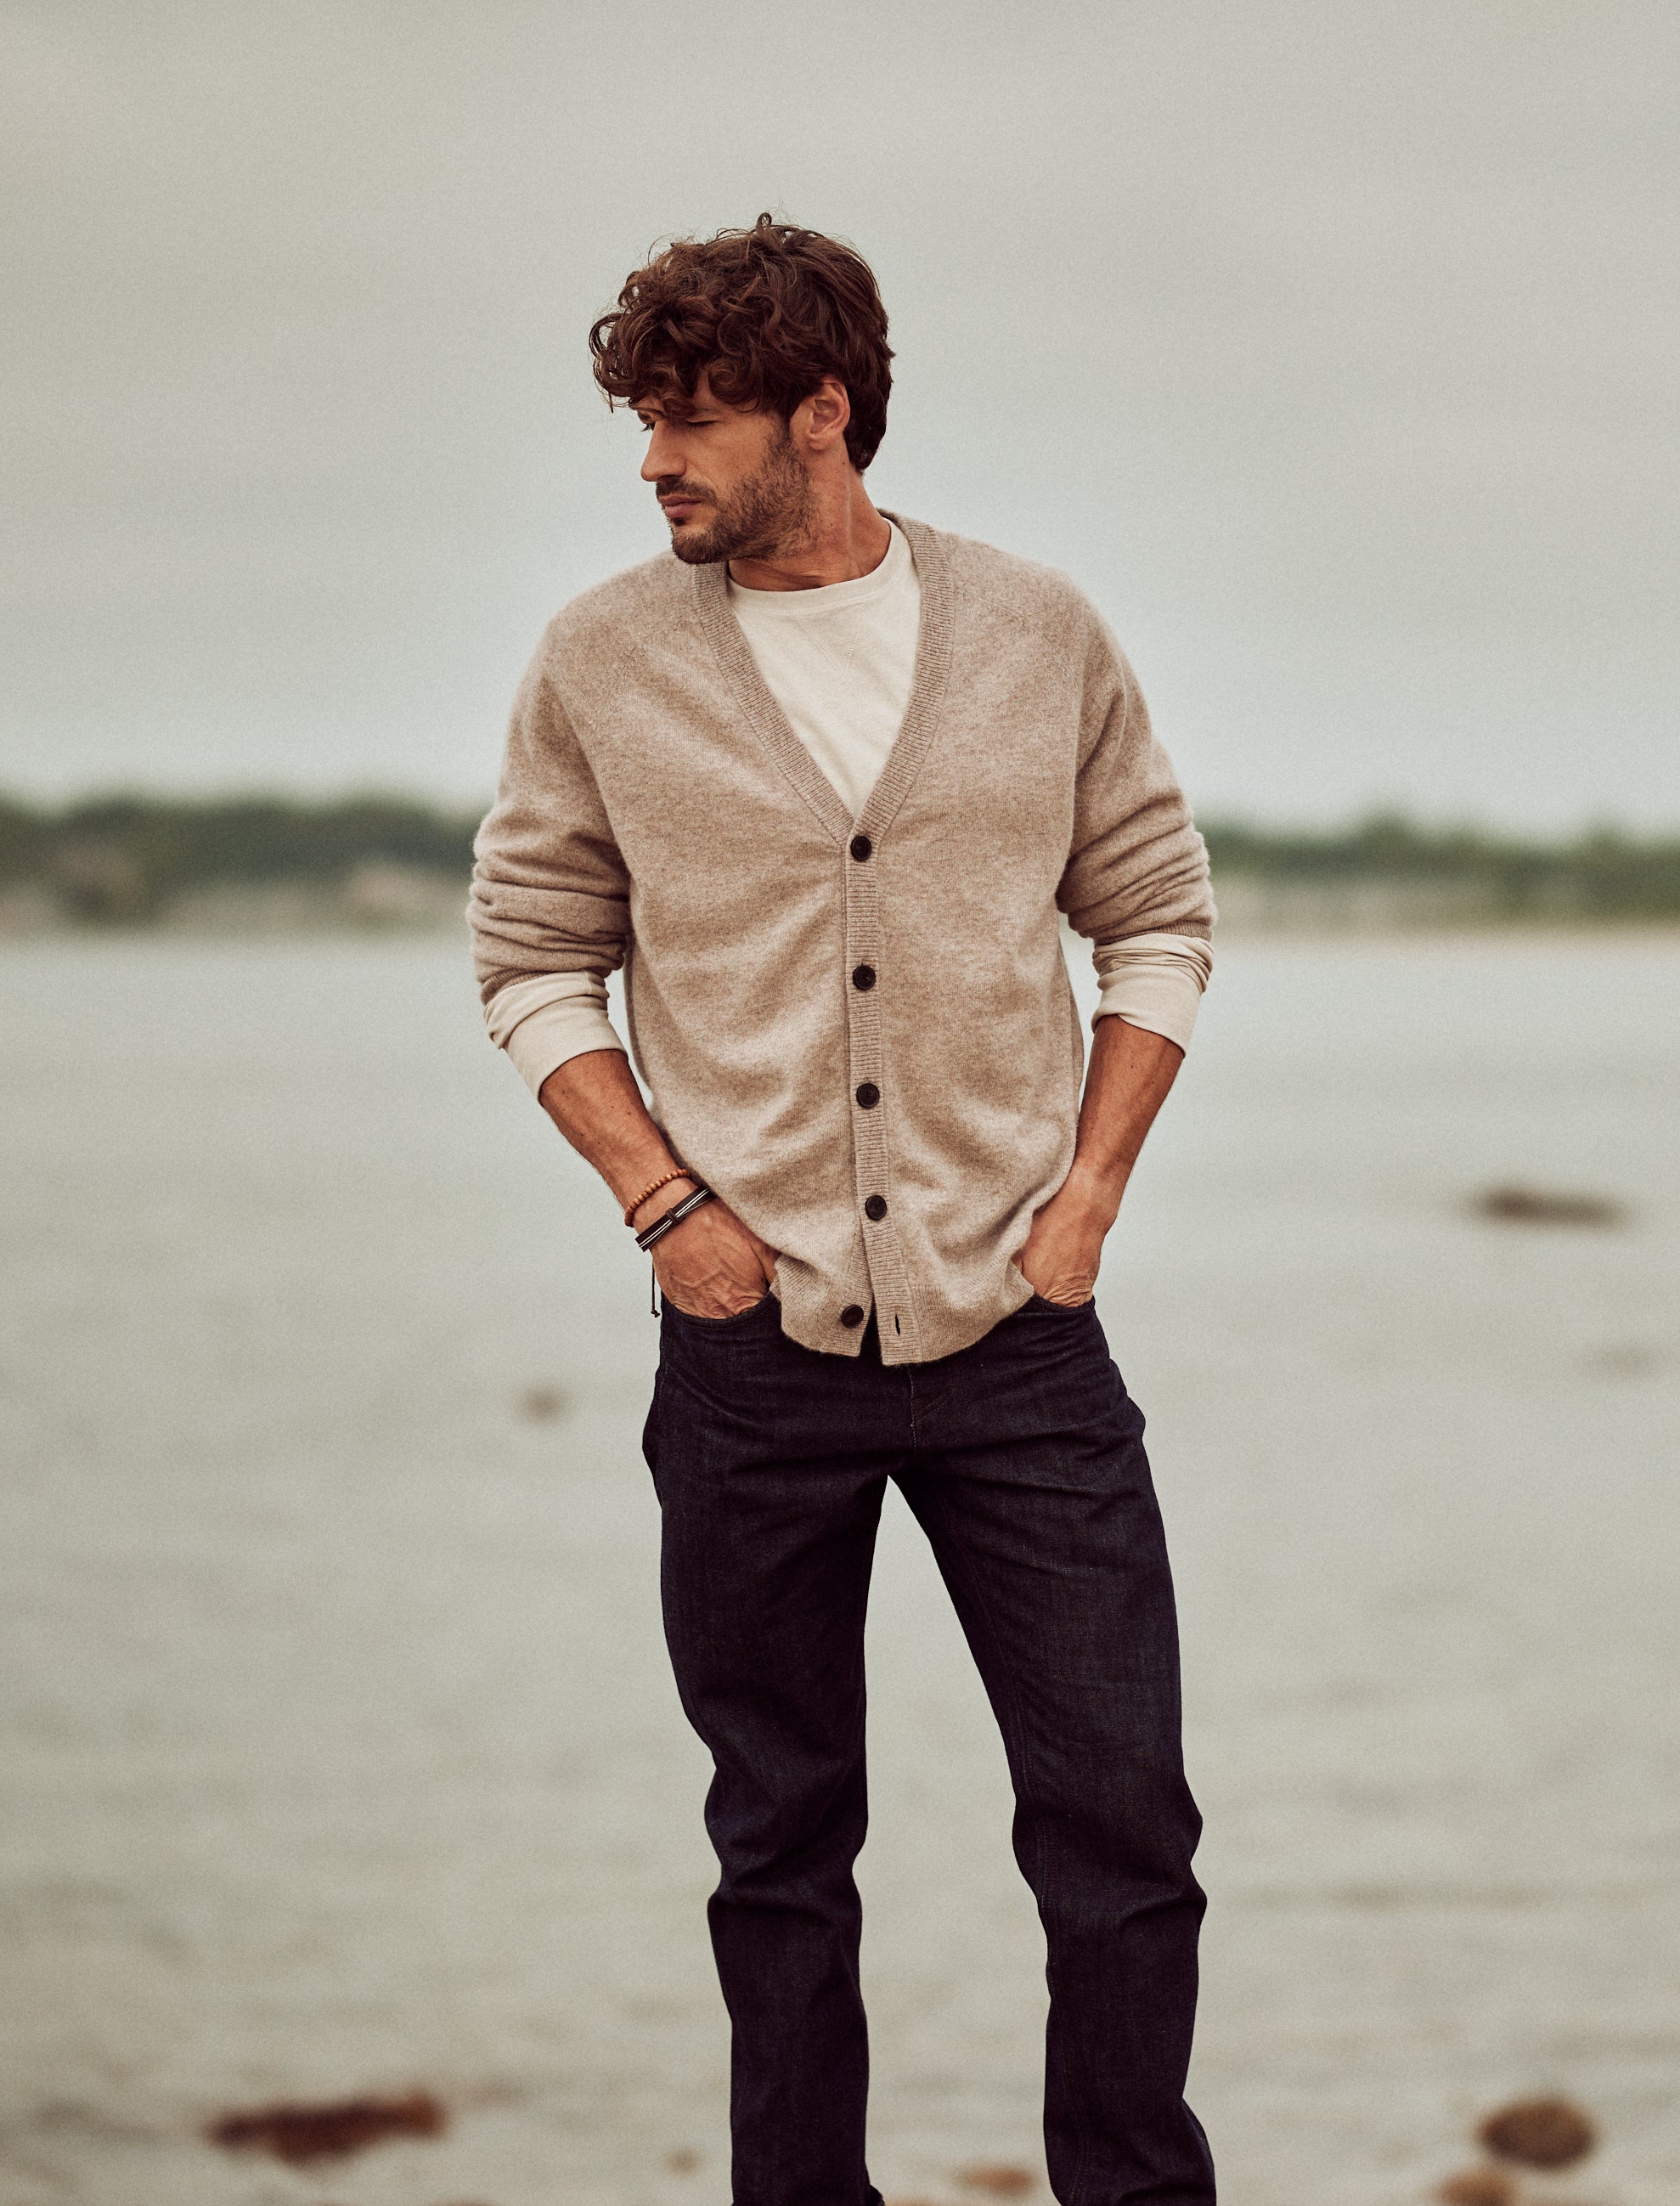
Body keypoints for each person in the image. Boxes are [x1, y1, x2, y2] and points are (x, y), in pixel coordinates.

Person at [466, 216, 1219, 2206]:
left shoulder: (1035, 631)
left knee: (1124, 1827)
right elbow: (533, 958)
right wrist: (669, 1217)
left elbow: (1156, 922)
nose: (654, 461)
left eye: (692, 417)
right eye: (641, 419)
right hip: (749, 1361)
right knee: (780, 1849)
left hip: (1023, 1348)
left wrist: (1089, 1203)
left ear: (826, 411)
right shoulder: (601, 659)